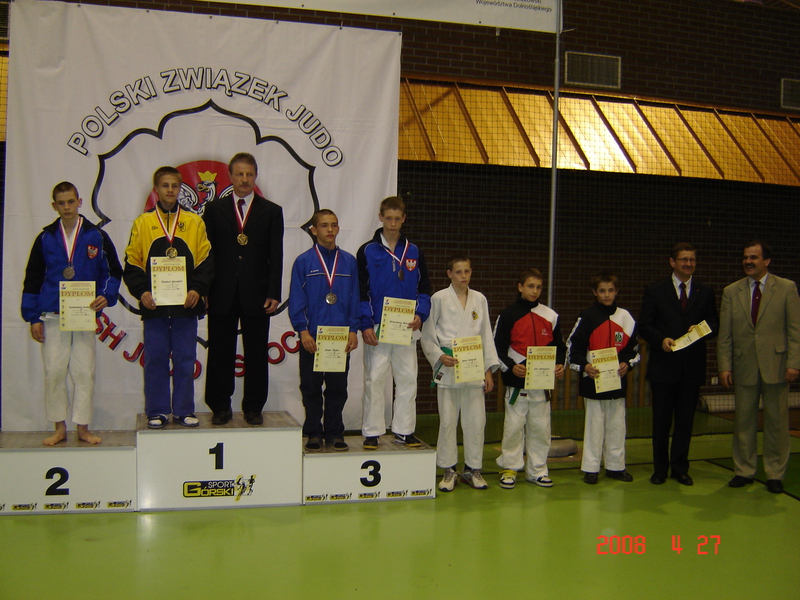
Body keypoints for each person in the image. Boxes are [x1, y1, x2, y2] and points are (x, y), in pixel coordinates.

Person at [22, 181, 122, 445]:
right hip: (53, 314)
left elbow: (113, 271)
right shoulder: (45, 238)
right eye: (61, 203)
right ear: (54, 206)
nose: (66, 207)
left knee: (84, 372)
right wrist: (33, 317)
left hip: (83, 313)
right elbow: (33, 279)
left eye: (70, 201)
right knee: (54, 371)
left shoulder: (96, 236)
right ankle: (59, 427)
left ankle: (83, 427)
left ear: (79, 202)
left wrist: (106, 295)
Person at [124, 166, 213, 429]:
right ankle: (158, 410)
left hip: (186, 305)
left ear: (180, 188)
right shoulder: (143, 223)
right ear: (156, 189)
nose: (170, 190)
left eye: (175, 185)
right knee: (155, 359)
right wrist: (142, 292)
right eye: (165, 185)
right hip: (155, 307)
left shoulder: (194, 222)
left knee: (185, 358)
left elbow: (206, 261)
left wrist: (197, 289)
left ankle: (184, 410)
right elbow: (132, 263)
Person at [203, 153, 284, 425]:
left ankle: (253, 407)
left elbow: (276, 255)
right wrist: (205, 290)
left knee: (256, 352)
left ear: (256, 176)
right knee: (220, 351)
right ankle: (219, 406)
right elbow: (207, 253)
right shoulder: (214, 209)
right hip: (221, 291)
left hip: (257, 293)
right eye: (239, 174)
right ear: (230, 176)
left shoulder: (271, 211)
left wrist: (273, 292)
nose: (244, 179)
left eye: (249, 174)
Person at [717, 241, 800, 494]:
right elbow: (725, 334)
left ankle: (775, 473)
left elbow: (795, 330)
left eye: (753, 257)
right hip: (743, 365)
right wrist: (724, 366)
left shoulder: (786, 288)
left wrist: (794, 363)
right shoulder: (731, 292)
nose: (748, 261)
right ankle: (744, 470)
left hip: (777, 365)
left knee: (777, 423)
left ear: (767, 261)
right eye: (745, 257)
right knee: (743, 422)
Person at [639, 243, 718, 486]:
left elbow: (714, 324)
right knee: (661, 422)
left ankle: (680, 468)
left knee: (685, 422)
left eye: (692, 259)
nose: (688, 264)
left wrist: (701, 329)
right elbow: (644, 325)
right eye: (684, 259)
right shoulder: (655, 290)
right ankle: (660, 469)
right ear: (672, 262)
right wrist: (660, 340)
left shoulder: (705, 291)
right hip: (664, 367)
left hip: (691, 368)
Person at [421, 254, 500, 491]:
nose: (463, 276)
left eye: (467, 271)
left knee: (476, 421)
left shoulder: (480, 299)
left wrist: (488, 369)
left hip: (473, 367)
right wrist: (438, 356)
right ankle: (448, 469)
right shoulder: (438, 299)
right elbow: (427, 334)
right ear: (449, 274)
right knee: (447, 421)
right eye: (458, 272)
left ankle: (473, 469)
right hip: (448, 366)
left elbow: (486, 335)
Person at [357, 195, 431, 449]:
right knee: (374, 379)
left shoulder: (414, 251)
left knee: (408, 378)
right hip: (378, 326)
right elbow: (360, 291)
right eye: (388, 218)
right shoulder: (367, 250)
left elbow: (424, 289)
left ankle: (404, 430)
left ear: (403, 219)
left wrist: (420, 314)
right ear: (380, 217)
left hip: (406, 327)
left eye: (397, 218)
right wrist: (366, 324)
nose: (392, 223)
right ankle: (372, 432)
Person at [289, 209, 359, 451]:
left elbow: (355, 298)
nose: (330, 230)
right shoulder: (304, 262)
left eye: (334, 225)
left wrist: (353, 330)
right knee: (311, 387)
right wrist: (303, 331)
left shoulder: (349, 262)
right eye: (324, 225)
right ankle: (313, 432)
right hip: (313, 337)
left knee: (337, 387)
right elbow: (297, 298)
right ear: (314, 230)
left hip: (339, 337)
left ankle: (335, 432)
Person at [494, 268, 566, 489]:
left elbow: (560, 347)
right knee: (513, 428)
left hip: (541, 385)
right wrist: (511, 367)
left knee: (541, 429)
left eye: (538, 287)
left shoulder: (550, 316)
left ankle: (538, 470)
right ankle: (509, 468)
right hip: (517, 384)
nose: (535, 291)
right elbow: (497, 349)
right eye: (530, 286)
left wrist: (559, 365)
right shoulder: (507, 315)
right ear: (520, 287)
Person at [567, 272, 639, 484]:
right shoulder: (587, 317)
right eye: (602, 291)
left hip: (617, 381)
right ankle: (591, 468)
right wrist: (585, 366)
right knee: (594, 426)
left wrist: (627, 363)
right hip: (593, 381)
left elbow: (633, 349)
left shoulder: (626, 318)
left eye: (610, 290)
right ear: (594, 292)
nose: (607, 295)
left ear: (616, 292)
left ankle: (616, 467)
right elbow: (573, 349)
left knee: (617, 426)